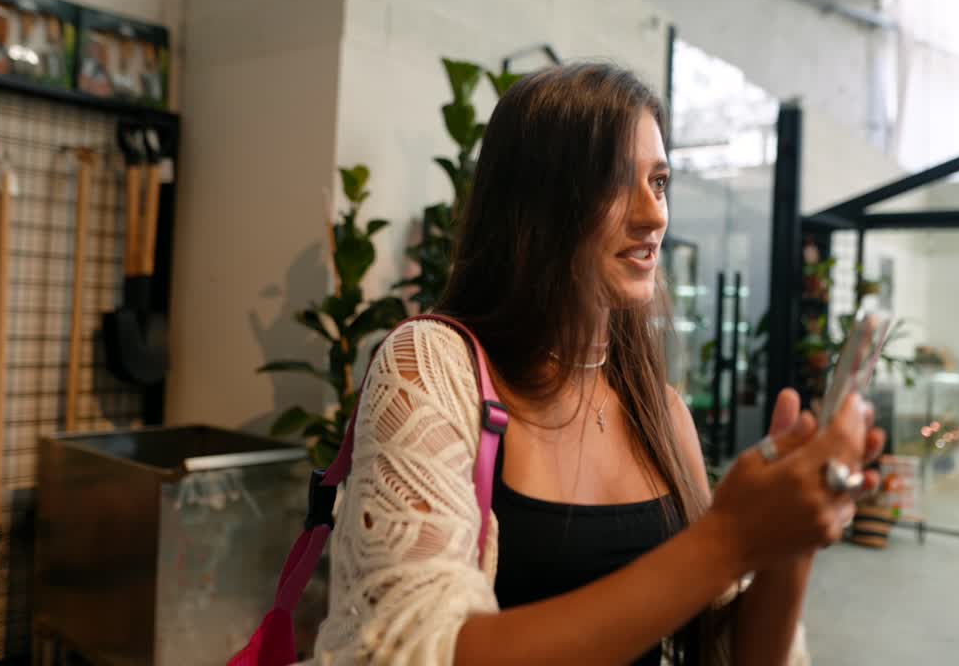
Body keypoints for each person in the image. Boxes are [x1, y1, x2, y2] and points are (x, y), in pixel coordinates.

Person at [311, 62, 886, 665]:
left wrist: (788, 539)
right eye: (616, 181)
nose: (654, 215)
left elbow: (732, 654)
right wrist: (729, 539)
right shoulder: (432, 365)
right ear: (534, 202)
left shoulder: (660, 411)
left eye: (659, 182)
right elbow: (414, 649)